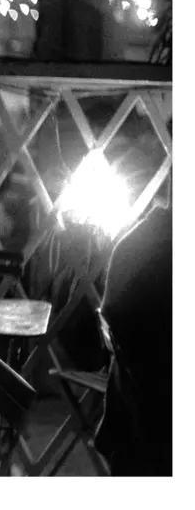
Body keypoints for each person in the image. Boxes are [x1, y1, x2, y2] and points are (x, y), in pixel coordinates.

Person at [95, 197, 172, 475]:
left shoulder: (132, 246)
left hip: (131, 419)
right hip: (155, 423)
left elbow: (108, 325)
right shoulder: (153, 251)